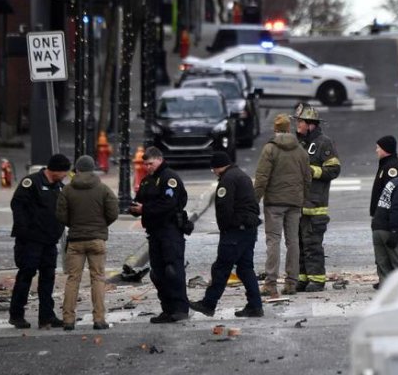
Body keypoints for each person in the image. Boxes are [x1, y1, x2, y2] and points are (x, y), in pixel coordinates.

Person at [190, 152, 264, 317]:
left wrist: (225, 229)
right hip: (248, 229)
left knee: (221, 268)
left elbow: (224, 209)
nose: (214, 173)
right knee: (245, 269)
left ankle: (209, 304)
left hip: (235, 232)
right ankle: (255, 305)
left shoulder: (227, 180)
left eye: (213, 170)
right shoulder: (241, 176)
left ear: (217, 167)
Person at [55, 155, 119, 331]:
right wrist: (101, 225)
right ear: (93, 169)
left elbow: (60, 215)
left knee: (72, 279)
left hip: (75, 240)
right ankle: (99, 319)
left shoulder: (67, 190)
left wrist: (73, 224)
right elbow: (113, 211)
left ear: (77, 169)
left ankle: (68, 319)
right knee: (97, 278)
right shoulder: (103, 189)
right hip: (97, 240)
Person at [8, 153, 71, 330]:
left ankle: (46, 316)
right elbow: (17, 206)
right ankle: (16, 314)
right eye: (64, 171)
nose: (66, 175)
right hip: (30, 241)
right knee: (26, 275)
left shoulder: (59, 187)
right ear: (55, 170)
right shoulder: (31, 183)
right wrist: (26, 231)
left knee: (48, 278)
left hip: (49, 241)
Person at [129, 147, 190, 323]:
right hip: (154, 231)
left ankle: (180, 308)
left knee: (173, 270)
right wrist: (135, 208)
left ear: (159, 160)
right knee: (157, 273)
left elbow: (168, 204)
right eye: (145, 164)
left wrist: (145, 209)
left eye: (150, 164)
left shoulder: (169, 178)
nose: (148, 167)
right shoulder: (148, 181)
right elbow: (140, 200)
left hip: (170, 230)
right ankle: (167, 309)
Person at [253, 113, 311, 298]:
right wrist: (302, 198)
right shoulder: (300, 150)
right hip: (294, 203)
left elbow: (262, 177)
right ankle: (291, 283)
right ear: (289, 129)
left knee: (273, 241)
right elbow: (307, 178)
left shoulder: (270, 149)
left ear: (275, 129)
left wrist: (255, 200)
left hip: (274, 203)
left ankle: (270, 284)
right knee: (293, 242)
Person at [292, 103, 341, 292]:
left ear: (310, 124)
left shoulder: (323, 143)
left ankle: (317, 280)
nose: (297, 124)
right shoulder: (296, 142)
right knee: (298, 244)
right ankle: (302, 278)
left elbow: (334, 169)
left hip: (315, 205)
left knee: (312, 244)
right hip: (297, 205)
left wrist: (311, 170)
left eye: (300, 121)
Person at [369, 135, 398, 289]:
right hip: (380, 216)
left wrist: (389, 218)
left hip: (386, 216)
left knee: (390, 252)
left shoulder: (393, 167)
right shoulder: (385, 164)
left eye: (378, 147)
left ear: (385, 149)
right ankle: (385, 280)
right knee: (382, 253)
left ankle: (391, 282)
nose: (376, 150)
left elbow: (393, 194)